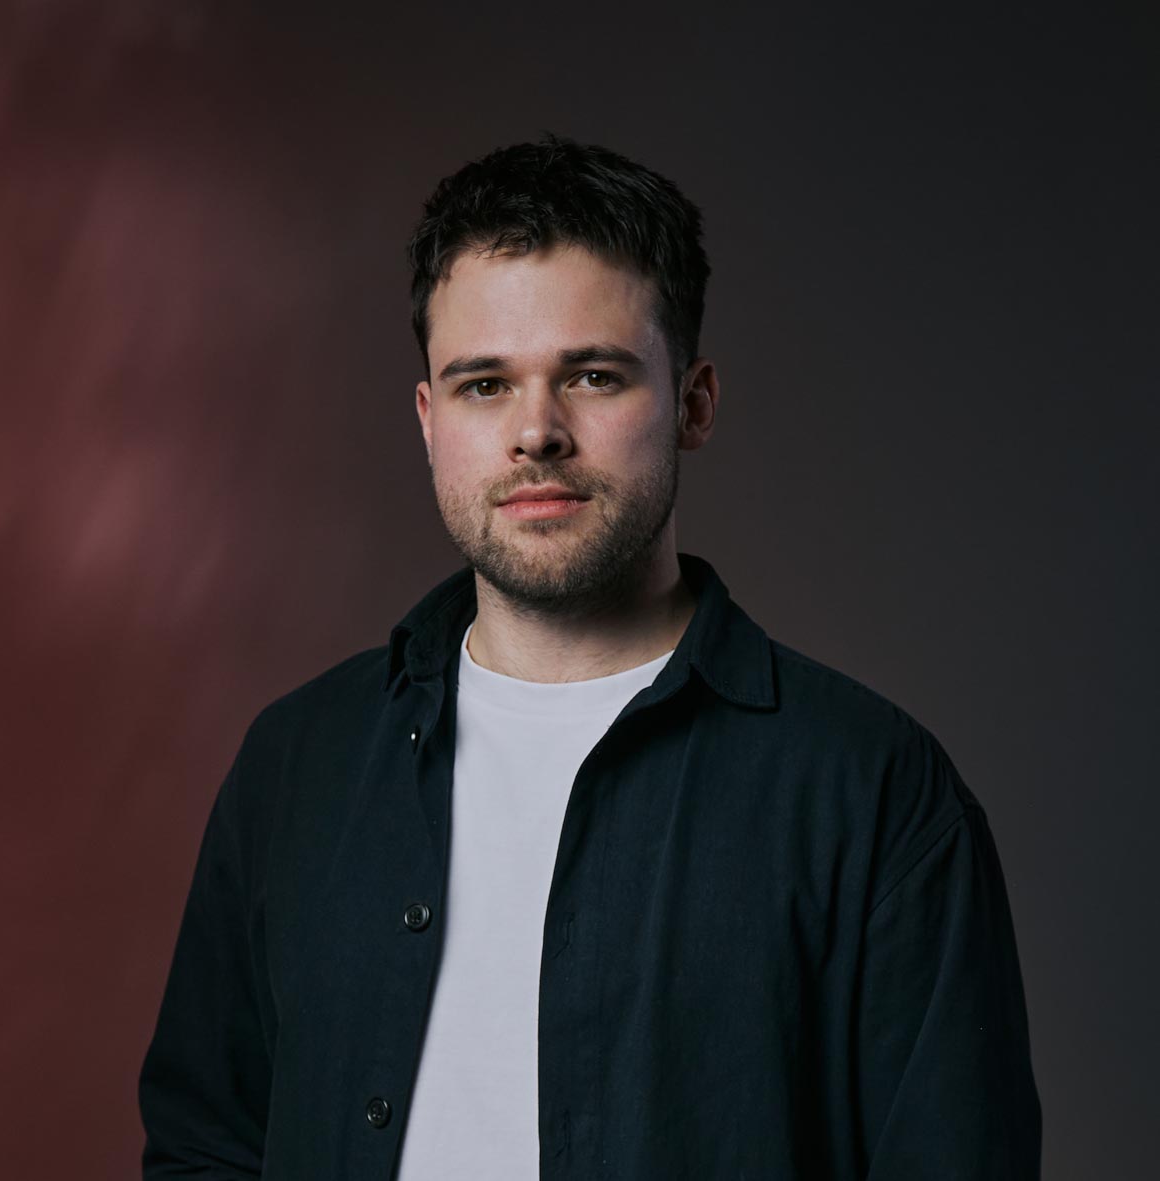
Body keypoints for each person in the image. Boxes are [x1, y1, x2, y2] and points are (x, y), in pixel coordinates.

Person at [138, 132, 1042, 1180]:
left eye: (594, 375)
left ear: (692, 403)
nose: (536, 432)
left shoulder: (873, 792)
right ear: (428, 419)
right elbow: (204, 1145)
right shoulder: (298, 764)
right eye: (484, 384)